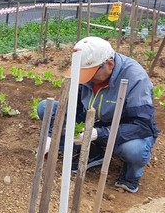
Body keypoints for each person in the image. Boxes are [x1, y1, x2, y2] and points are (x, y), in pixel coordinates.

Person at [38, 36, 158, 193]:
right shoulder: (86, 77)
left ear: (109, 64)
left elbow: (142, 125)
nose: (86, 79)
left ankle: (130, 175)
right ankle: (92, 153)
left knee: (134, 150)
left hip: (122, 127)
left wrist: (98, 133)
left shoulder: (136, 78)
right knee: (45, 109)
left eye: (90, 74)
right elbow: (66, 107)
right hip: (93, 119)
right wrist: (50, 135)